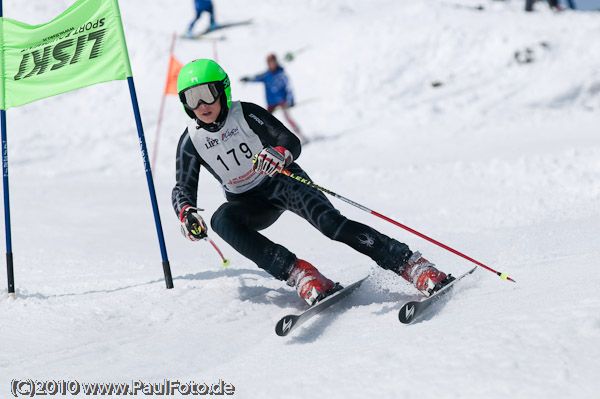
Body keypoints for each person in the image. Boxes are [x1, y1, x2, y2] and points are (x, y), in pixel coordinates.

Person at [173, 59, 453, 306]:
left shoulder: (246, 113)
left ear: (223, 91)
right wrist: (185, 212)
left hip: (282, 181)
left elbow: (288, 140)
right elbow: (182, 188)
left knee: (332, 225)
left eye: (207, 94)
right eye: (191, 98)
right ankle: (301, 274)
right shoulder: (191, 140)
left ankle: (412, 265)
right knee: (223, 219)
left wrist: (279, 154)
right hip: (248, 204)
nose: (201, 105)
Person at [239, 54, 308, 143]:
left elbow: (289, 88)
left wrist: (290, 101)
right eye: (269, 62)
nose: (271, 64)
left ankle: (301, 136)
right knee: (264, 120)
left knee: (287, 117)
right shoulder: (267, 75)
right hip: (271, 102)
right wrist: (247, 79)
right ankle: (264, 141)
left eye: (273, 62)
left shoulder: (281, 74)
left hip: (281, 101)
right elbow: (256, 78)